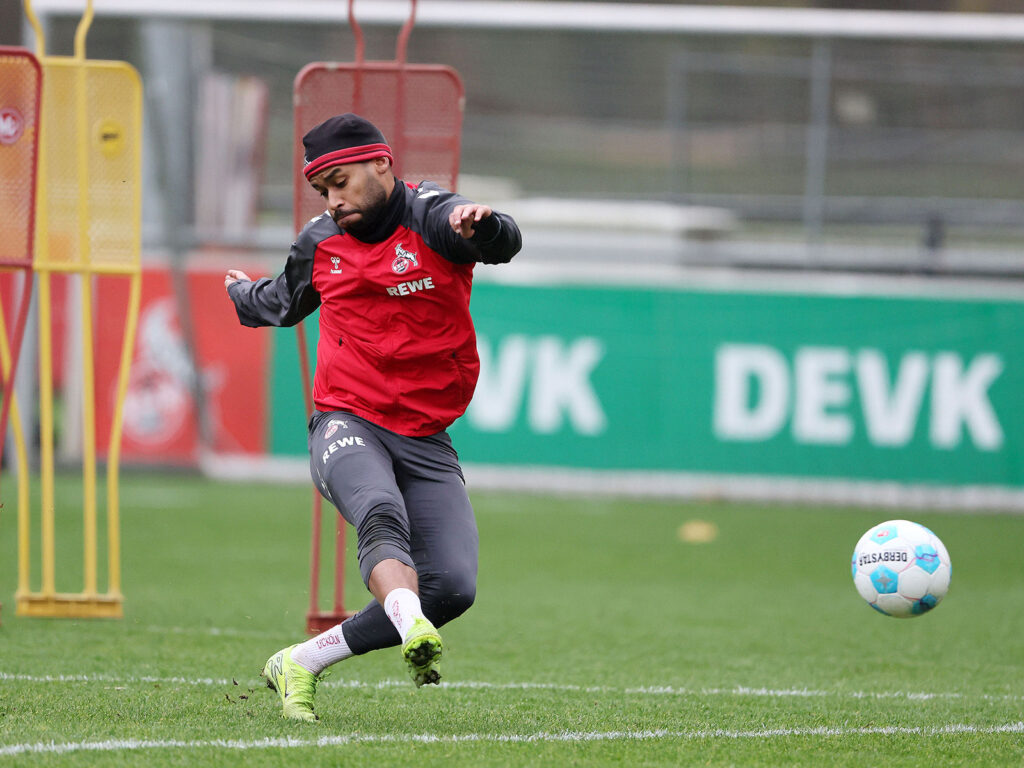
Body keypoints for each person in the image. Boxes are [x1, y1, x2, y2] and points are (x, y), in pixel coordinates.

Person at [224, 113, 521, 722]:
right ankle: (410, 621)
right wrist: (241, 295)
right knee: (380, 513)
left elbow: (501, 242)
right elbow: (281, 303)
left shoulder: (436, 216)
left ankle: (301, 661)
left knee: (454, 587)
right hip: (346, 419)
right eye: (323, 190)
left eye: (342, 182)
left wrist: (485, 225)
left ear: (381, 164)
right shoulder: (319, 242)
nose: (334, 201)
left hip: (424, 434)